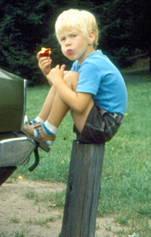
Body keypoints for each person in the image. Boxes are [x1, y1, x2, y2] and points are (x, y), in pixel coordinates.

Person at [23, 9, 128, 150]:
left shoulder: (93, 64)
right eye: (63, 39)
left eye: (73, 36)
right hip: (97, 121)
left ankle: (47, 132)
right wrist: (48, 73)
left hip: (103, 125)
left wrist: (58, 80)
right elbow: (62, 93)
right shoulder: (81, 64)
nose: (67, 43)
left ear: (91, 37)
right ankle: (38, 124)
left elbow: (79, 105)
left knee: (67, 77)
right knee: (66, 77)